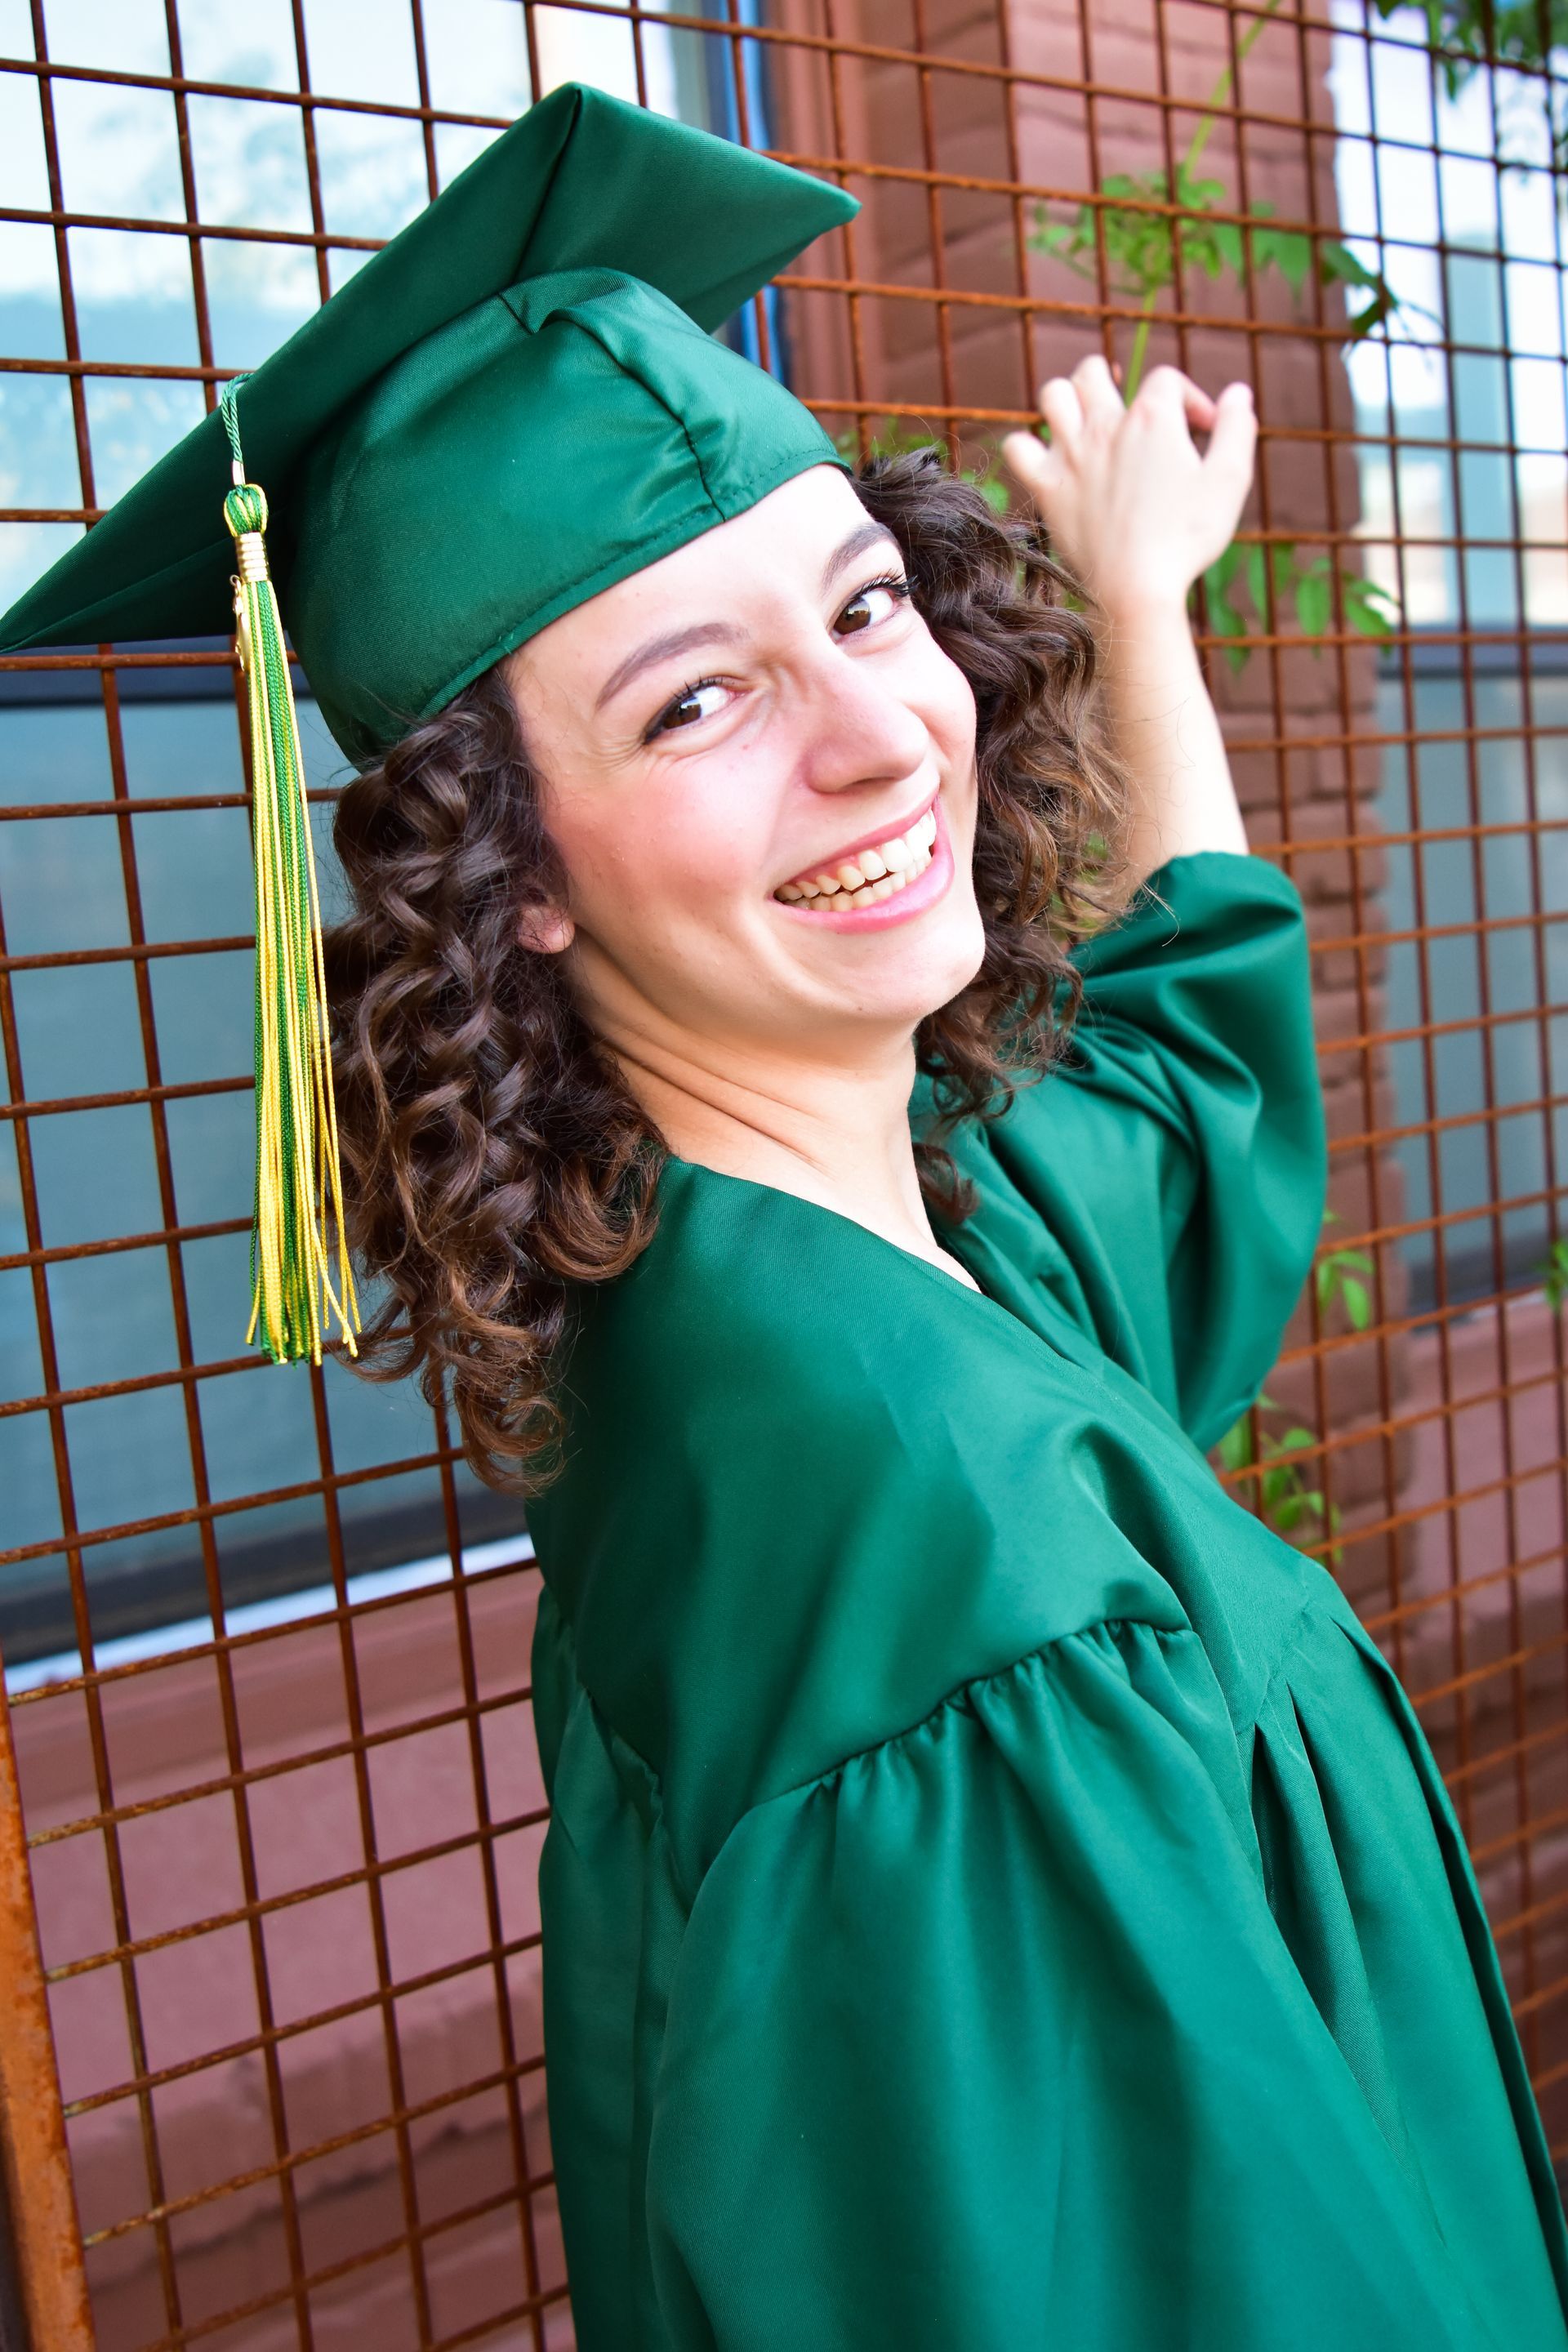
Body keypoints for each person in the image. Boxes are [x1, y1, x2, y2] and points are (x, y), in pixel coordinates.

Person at [4, 82, 1566, 2352]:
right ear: (511, 878)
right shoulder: (947, 1598)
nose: (880, 737)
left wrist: (1140, 601)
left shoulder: (805, 1289)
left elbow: (1182, 1092)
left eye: (865, 604)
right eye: (703, 698)